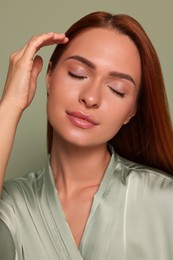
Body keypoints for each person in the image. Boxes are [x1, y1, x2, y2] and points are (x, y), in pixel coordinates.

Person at [0, 11, 173, 260]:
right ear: (48, 77)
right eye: (77, 74)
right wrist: (10, 105)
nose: (90, 98)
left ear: (131, 112)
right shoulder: (12, 206)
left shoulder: (164, 201)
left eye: (117, 89)